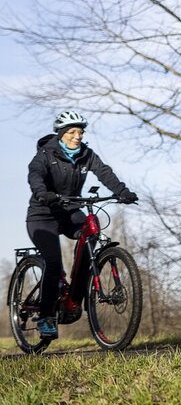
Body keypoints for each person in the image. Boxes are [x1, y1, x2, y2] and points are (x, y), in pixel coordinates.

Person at [25, 110, 138, 343]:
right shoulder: (46, 154)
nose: (78, 136)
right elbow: (35, 176)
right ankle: (46, 316)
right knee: (53, 264)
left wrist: (122, 192)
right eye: (73, 132)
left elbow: (104, 172)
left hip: (69, 212)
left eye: (81, 132)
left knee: (91, 229)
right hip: (43, 215)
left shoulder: (87, 154)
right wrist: (43, 193)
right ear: (62, 133)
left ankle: (75, 295)